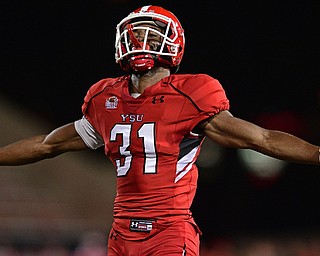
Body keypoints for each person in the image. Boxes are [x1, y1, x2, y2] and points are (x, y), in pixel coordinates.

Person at [0, 5, 319, 256]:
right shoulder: (106, 98)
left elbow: (259, 137)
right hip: (121, 235)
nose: (140, 42)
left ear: (173, 44)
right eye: (136, 34)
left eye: (151, 36)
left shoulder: (190, 94)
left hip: (167, 232)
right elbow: (47, 144)